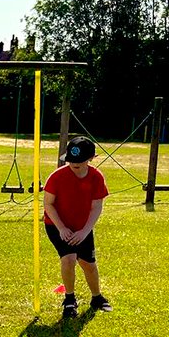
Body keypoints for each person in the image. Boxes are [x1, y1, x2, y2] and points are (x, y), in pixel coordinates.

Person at [43, 136, 113, 319]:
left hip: (83, 228)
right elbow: (48, 205)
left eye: (79, 162)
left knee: (88, 264)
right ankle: (69, 300)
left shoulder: (96, 177)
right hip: (57, 225)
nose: (74, 165)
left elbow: (96, 206)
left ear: (91, 159)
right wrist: (62, 228)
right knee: (69, 259)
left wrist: (85, 231)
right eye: (71, 161)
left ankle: (97, 298)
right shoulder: (57, 177)